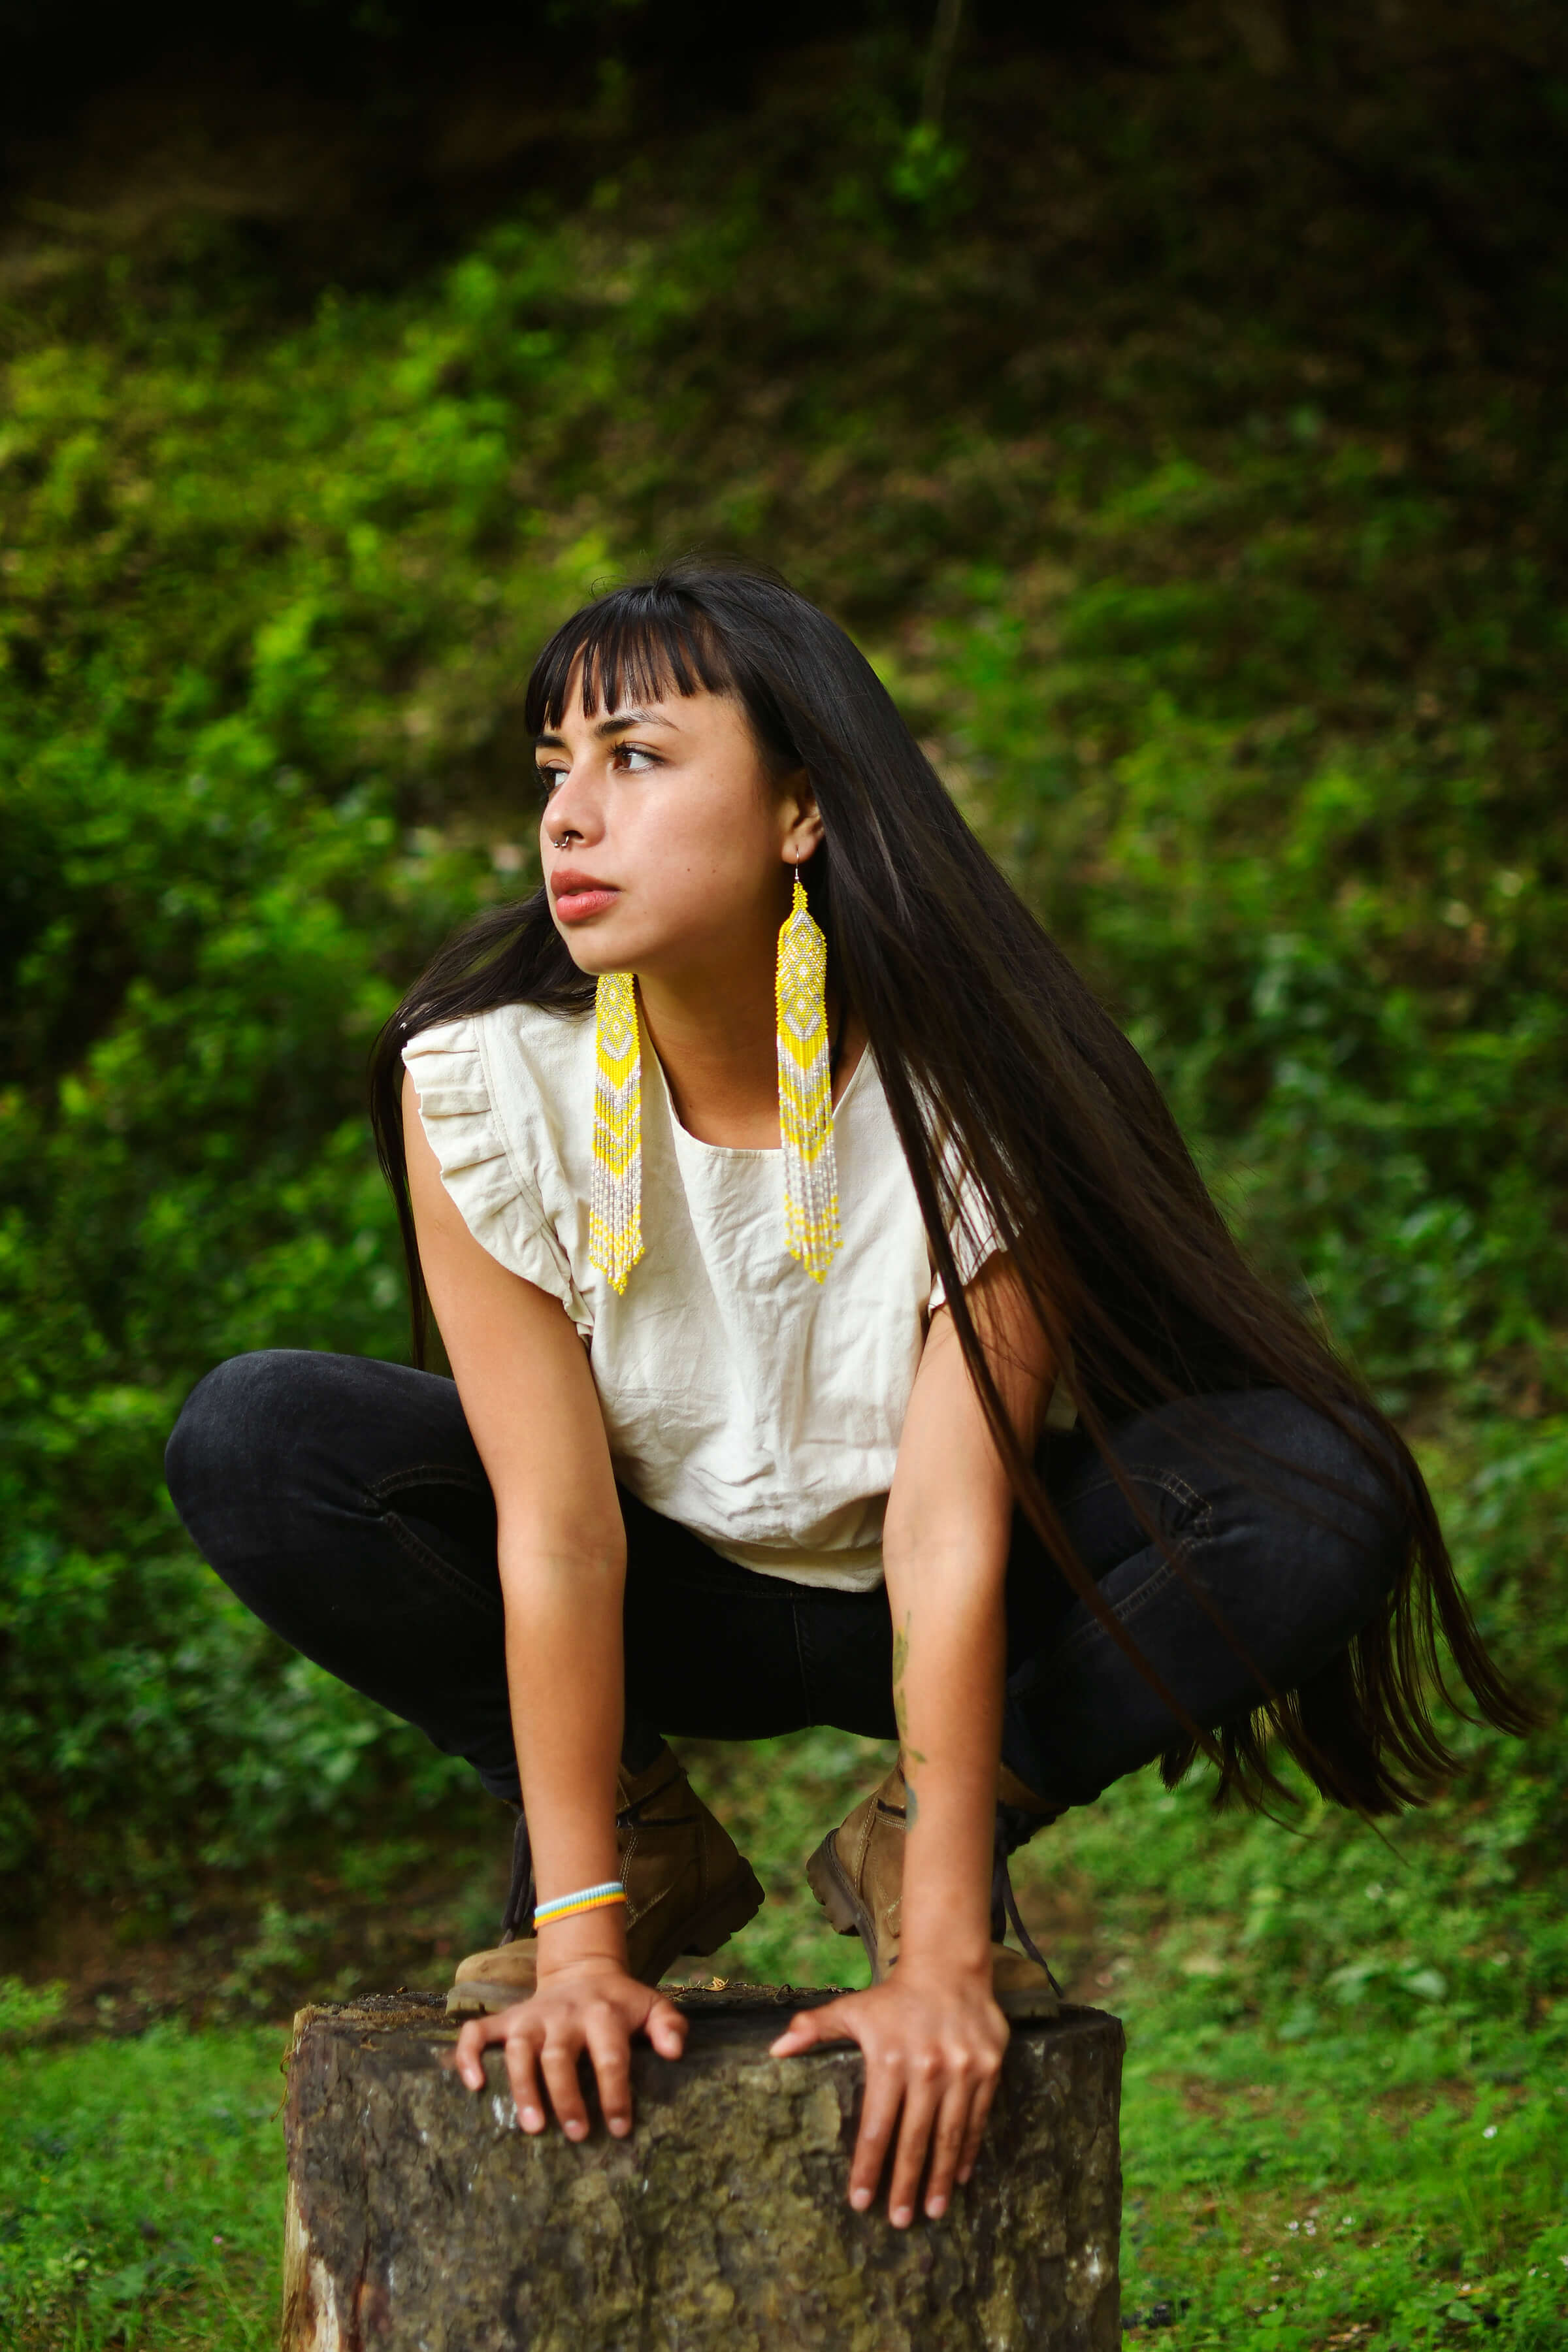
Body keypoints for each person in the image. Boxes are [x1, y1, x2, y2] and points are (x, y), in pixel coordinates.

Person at [165, 560, 1526, 2231]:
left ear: (802, 809)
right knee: (259, 1436)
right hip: (661, 1590)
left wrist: (942, 1951)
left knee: (1315, 1490)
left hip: (954, 1590)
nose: (569, 816)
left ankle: (915, 1838)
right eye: (553, 770)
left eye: (636, 759)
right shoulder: (482, 1079)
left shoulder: (981, 1088)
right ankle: (647, 1841)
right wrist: (579, 1943)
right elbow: (558, 1530)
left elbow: (950, 1531)